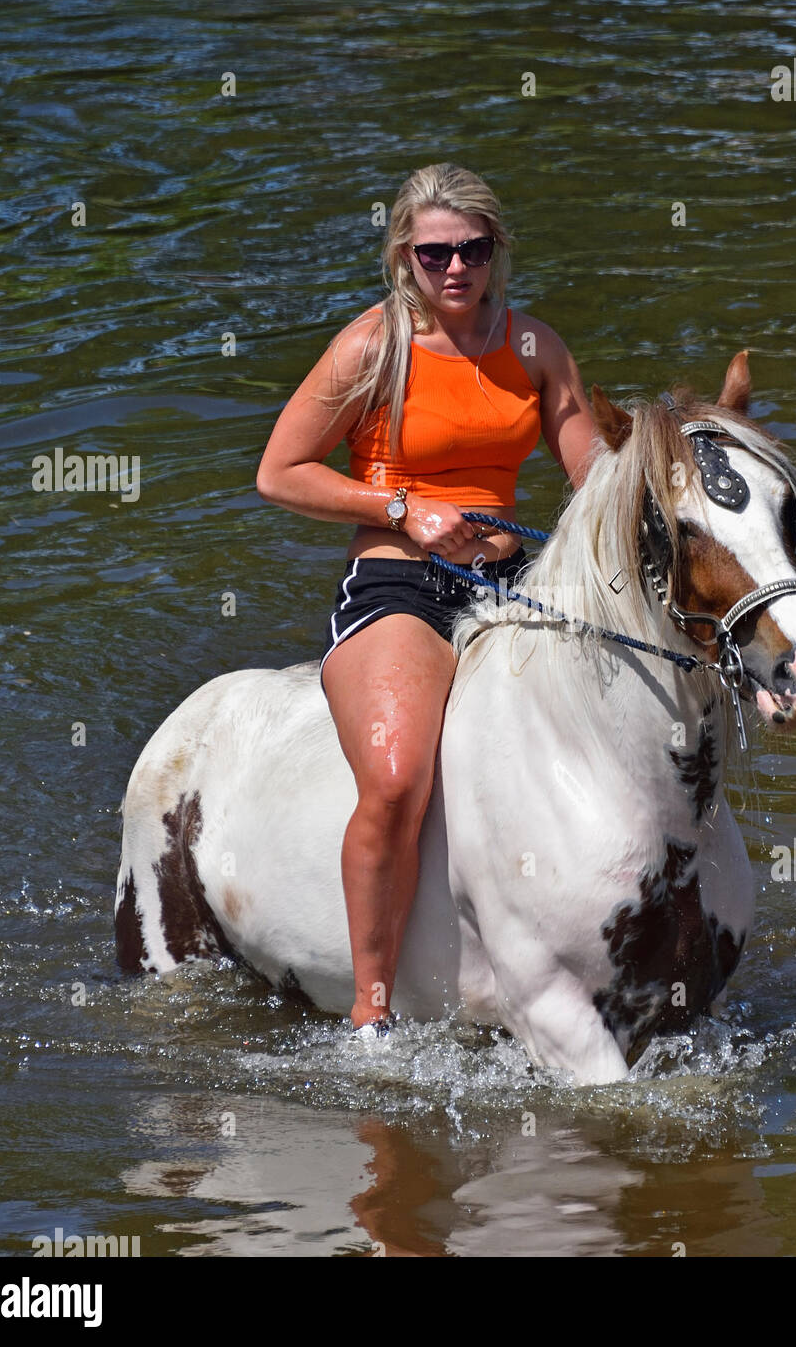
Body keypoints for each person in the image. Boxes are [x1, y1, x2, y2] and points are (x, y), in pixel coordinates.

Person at [256, 163, 599, 1030]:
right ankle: (371, 1016)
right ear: (404, 257)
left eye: (473, 249)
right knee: (401, 777)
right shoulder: (373, 346)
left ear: (497, 252)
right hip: (399, 583)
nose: (455, 268)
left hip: (514, 579)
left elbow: (592, 476)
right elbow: (280, 473)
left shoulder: (535, 348)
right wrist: (403, 506)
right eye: (434, 253)